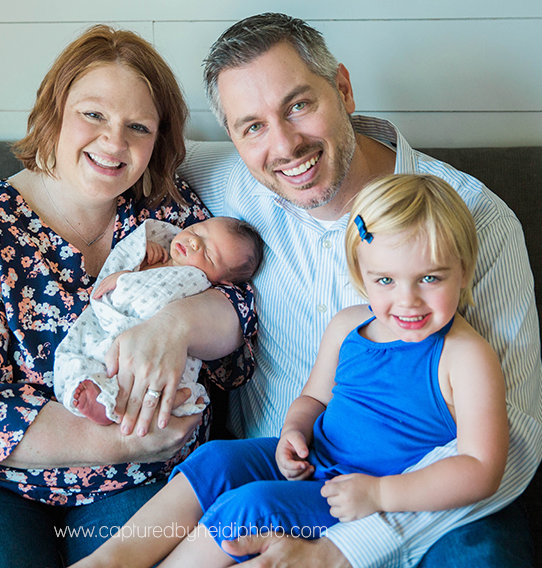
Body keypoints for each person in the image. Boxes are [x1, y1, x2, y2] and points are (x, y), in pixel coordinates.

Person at [0, 13, 542, 567]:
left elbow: (515, 438)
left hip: (408, 495)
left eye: (300, 104)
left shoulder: (472, 219)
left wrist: (354, 544)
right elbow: (101, 155)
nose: (284, 144)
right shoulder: (231, 187)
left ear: (343, 89)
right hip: (279, 464)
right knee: (220, 483)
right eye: (252, 126)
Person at [0, 25, 259, 568]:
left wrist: (179, 323)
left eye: (137, 126)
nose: (114, 143)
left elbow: (238, 324)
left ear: (157, 141)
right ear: (54, 112)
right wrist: (126, 443)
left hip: (131, 482)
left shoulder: (169, 212)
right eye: (93, 114)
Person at [72, 174, 510, 568]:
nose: (408, 300)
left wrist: (381, 496)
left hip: (359, 496)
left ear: (464, 271)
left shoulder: (465, 356)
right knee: (217, 459)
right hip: (315, 460)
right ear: (362, 275)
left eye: (431, 279)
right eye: (386, 281)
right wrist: (294, 432)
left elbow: (481, 467)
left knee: (252, 506)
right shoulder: (348, 327)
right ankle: (113, 559)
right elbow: (314, 399)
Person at [59, 216, 263, 426]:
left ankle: (112, 404)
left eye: (208, 254)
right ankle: (99, 395)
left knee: (164, 385)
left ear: (222, 280)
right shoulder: (155, 253)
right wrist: (131, 269)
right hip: (112, 326)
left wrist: (126, 283)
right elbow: (128, 279)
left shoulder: (199, 284)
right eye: (196, 232)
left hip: (154, 347)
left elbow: (231, 309)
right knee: (85, 359)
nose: (194, 243)